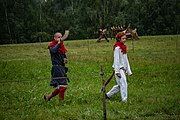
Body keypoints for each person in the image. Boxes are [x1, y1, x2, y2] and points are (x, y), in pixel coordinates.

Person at [106, 31, 132, 102]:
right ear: (119, 39)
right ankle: (124, 100)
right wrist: (117, 71)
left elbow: (125, 59)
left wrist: (127, 69)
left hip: (123, 69)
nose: (125, 40)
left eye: (125, 38)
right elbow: (116, 60)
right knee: (124, 84)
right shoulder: (117, 48)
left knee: (120, 85)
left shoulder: (123, 47)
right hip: (119, 69)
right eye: (123, 38)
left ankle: (108, 95)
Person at [44, 32, 69, 101]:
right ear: (54, 38)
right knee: (63, 86)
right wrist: (58, 43)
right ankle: (61, 101)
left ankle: (48, 97)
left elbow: (64, 55)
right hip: (56, 68)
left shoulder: (61, 47)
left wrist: (65, 59)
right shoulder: (52, 46)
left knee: (60, 86)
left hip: (62, 68)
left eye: (61, 37)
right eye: (58, 37)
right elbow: (54, 51)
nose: (60, 38)